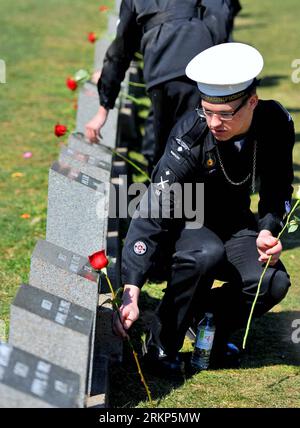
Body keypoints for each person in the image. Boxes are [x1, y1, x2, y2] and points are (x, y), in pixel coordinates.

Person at [113, 43, 295, 375]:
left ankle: (206, 322)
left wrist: (268, 228)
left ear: (252, 101)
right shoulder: (191, 134)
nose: (214, 122)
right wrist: (132, 286)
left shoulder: (275, 122)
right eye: (207, 110)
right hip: (186, 222)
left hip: (236, 224)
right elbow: (156, 206)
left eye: (225, 114)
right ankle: (162, 343)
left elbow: (278, 186)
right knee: (205, 254)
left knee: (272, 281)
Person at [85, 0, 239, 173]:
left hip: (162, 70)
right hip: (200, 65)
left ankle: (168, 190)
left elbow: (121, 49)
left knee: (171, 148)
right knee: (202, 141)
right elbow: (221, 13)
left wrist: (103, 108)